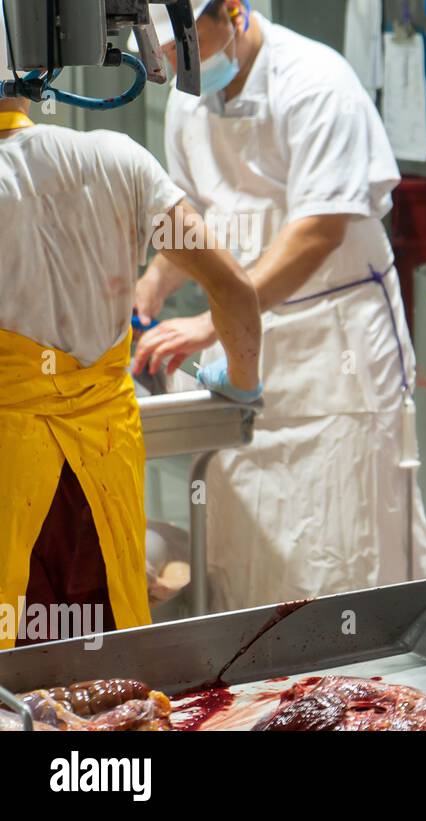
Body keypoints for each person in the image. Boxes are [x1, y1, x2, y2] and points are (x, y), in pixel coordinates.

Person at [130, 0, 426, 612]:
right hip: (245, 348)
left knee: (345, 535)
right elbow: (192, 216)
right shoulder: (187, 98)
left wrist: (210, 319)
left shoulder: (318, 84)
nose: (173, 62)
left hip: (336, 350)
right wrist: (152, 285)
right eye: (163, 52)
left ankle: (368, 682)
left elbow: (318, 230)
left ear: (236, 12)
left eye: (184, 45)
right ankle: (263, 682)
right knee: (250, 537)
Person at [0, 14, 263, 649]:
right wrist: (242, 385)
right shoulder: (119, 161)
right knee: (108, 671)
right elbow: (233, 289)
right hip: (103, 471)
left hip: (11, 480)